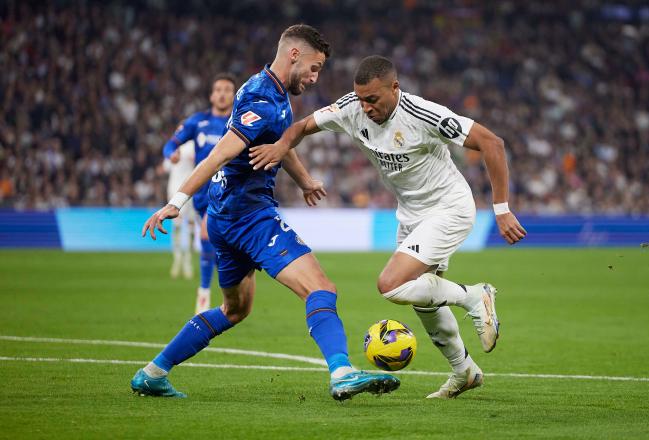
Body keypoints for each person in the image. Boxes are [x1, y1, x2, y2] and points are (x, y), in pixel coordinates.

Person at [132, 26, 400, 400]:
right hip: (249, 217)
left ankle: (153, 372)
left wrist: (305, 180)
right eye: (314, 67)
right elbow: (220, 153)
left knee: (233, 309)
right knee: (321, 288)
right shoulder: (262, 99)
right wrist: (176, 202)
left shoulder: (266, 88)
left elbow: (280, 141)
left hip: (225, 218)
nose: (314, 77)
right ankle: (341, 372)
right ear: (294, 54)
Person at [248, 55, 527, 399]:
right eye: (361, 99)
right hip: (410, 216)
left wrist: (501, 209)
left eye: (373, 99)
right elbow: (302, 127)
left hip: (448, 207)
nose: (365, 108)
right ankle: (464, 371)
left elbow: (492, 143)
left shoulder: (424, 114)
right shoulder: (351, 107)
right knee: (424, 300)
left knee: (391, 284)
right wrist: (280, 146)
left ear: (395, 88)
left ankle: (474, 296)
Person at [162, 73, 236, 313]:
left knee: (207, 236)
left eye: (227, 89)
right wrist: (171, 153)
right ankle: (219, 294)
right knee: (212, 245)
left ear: (234, 95)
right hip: (202, 193)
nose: (223, 93)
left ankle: (203, 295)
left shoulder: (239, 122)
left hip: (230, 190)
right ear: (212, 95)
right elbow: (171, 143)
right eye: (219, 89)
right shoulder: (197, 121)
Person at [163, 140, 195, 281]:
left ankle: (186, 259)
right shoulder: (176, 147)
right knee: (181, 226)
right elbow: (166, 166)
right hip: (178, 191)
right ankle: (180, 260)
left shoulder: (192, 145)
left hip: (189, 191)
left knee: (189, 227)